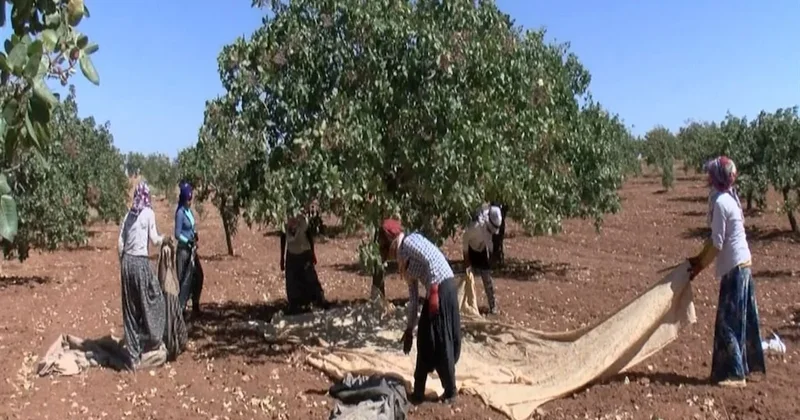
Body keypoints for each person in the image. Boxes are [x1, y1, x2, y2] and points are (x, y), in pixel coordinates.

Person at [687, 156, 766, 387]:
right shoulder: (729, 199)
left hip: (735, 268)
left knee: (728, 323)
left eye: (711, 174)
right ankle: (744, 367)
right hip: (743, 266)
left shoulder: (721, 203)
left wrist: (699, 264)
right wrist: (699, 259)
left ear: (717, 178)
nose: (708, 177)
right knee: (743, 319)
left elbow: (717, 243)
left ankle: (734, 374)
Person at [378, 218, 460, 404]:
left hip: (443, 287)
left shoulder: (409, 242)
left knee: (440, 338)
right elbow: (413, 296)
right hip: (437, 288)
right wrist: (409, 330)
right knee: (425, 338)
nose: (383, 249)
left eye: (384, 242)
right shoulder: (403, 259)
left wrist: (433, 292)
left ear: (392, 240)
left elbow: (432, 260)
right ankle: (418, 393)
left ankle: (451, 392)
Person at [117, 181, 170, 368]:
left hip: (126, 264)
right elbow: (154, 240)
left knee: (131, 310)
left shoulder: (128, 215)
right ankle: (154, 339)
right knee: (154, 300)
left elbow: (120, 243)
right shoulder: (148, 214)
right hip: (140, 263)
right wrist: (166, 238)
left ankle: (133, 355)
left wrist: (123, 266)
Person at [280, 211, 326, 313]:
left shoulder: (302, 220)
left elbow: (309, 236)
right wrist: (282, 258)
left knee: (310, 278)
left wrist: (313, 253)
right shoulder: (284, 220)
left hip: (304, 253)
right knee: (292, 282)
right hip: (291, 254)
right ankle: (295, 305)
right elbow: (283, 237)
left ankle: (318, 301)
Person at [462, 204, 503, 314]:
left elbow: (489, 241)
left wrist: (491, 256)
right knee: (468, 279)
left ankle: (493, 306)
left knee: (487, 279)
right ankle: (464, 304)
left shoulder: (492, 222)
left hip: (482, 250)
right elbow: (465, 240)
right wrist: (467, 261)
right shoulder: (475, 227)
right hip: (471, 250)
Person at [175, 181, 204, 319]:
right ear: (183, 199)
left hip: (192, 250)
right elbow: (177, 234)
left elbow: (192, 226)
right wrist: (187, 240)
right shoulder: (180, 213)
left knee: (198, 276)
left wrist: (195, 233)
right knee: (183, 280)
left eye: (191, 199)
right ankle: (181, 310)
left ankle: (196, 305)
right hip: (183, 251)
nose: (190, 202)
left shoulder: (189, 211)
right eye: (188, 199)